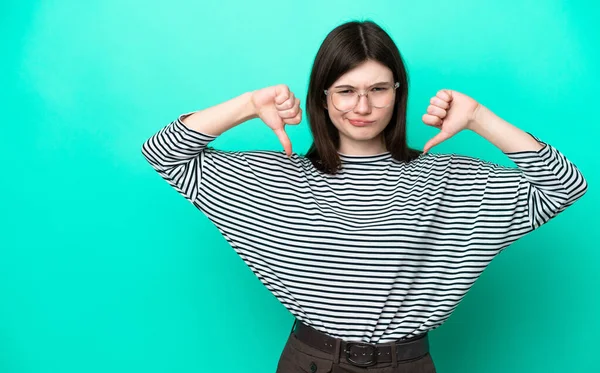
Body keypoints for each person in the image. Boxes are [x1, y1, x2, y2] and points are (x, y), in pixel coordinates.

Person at [141, 20, 588, 373]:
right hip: (311, 362)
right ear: (324, 96)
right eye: (346, 91)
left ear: (398, 94)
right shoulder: (275, 177)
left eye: (378, 89)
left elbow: (566, 185)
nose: (362, 107)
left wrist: (478, 118)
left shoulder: (448, 179)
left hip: (407, 364)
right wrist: (248, 104)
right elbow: (164, 153)